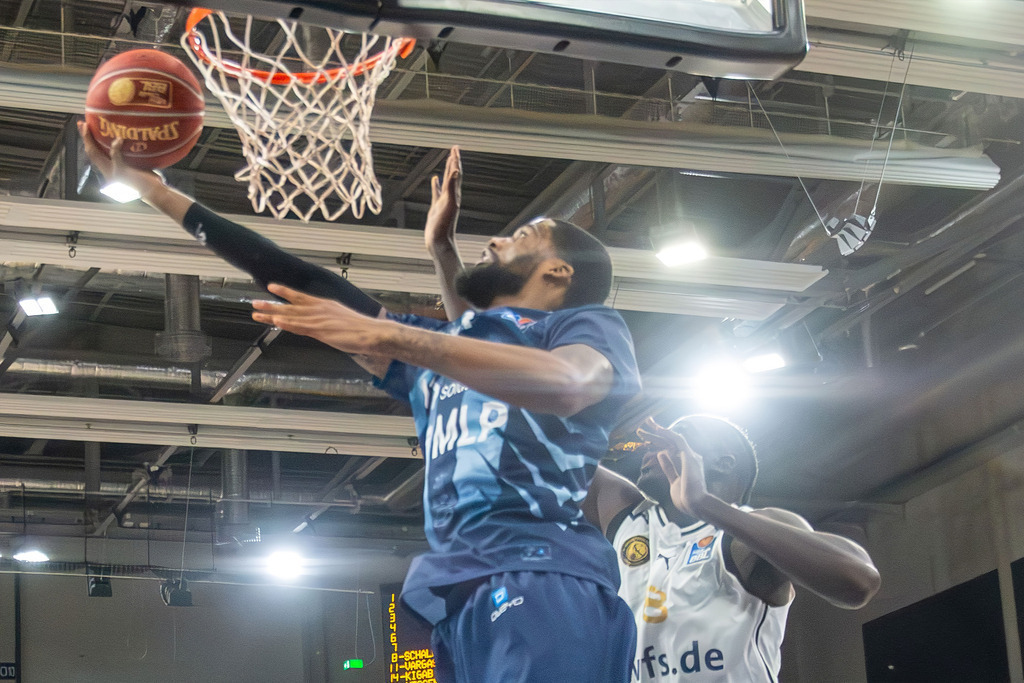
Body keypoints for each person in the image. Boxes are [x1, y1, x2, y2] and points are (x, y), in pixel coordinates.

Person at [78, 126, 642, 683]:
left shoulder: (581, 325)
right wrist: (154, 190)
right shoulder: (448, 362)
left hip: (542, 575)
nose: (495, 240)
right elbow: (296, 276)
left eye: (522, 235)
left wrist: (392, 335)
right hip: (463, 595)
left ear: (558, 271)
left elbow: (570, 383)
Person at [581, 415, 881, 682]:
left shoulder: (749, 532)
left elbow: (859, 583)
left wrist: (703, 505)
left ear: (723, 462)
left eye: (678, 436)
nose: (654, 447)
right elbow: (551, 455)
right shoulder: (632, 521)